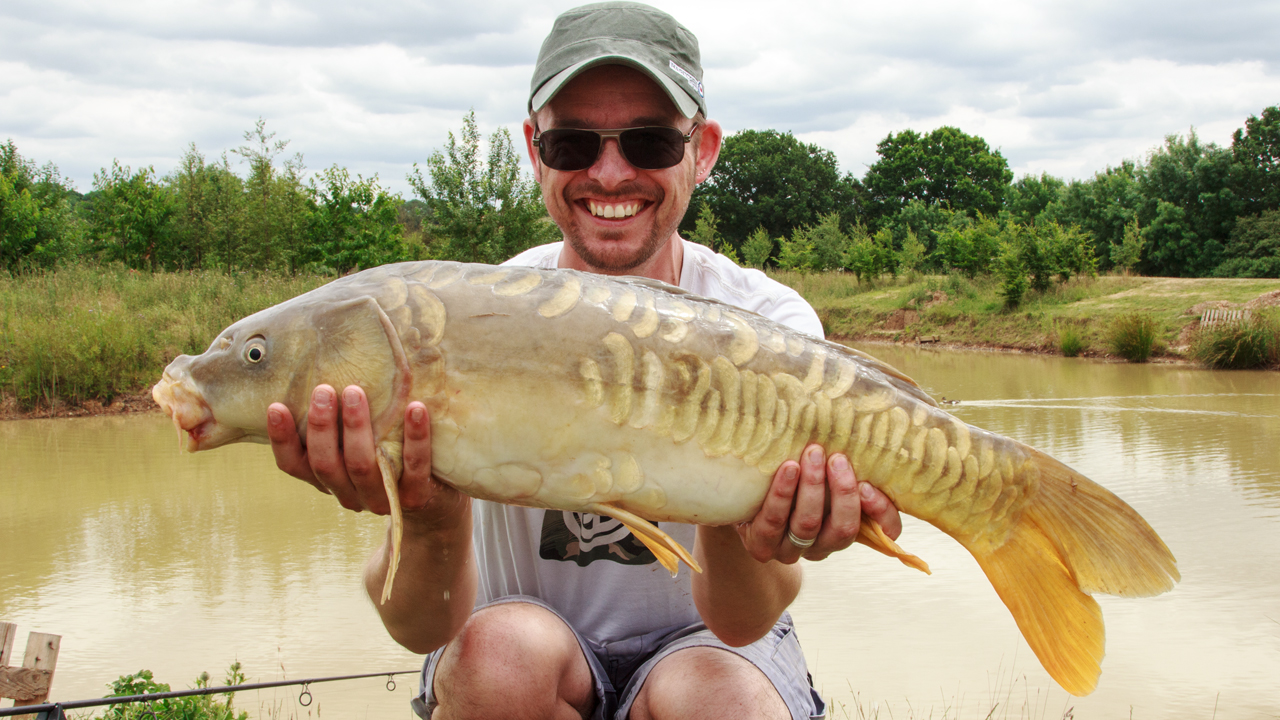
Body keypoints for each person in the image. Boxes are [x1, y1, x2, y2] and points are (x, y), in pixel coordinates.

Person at [266, 3, 903, 719]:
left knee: (720, 701)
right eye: (573, 144)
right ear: (535, 149)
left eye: (650, 143)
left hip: (711, 647)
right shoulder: (460, 320)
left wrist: (741, 507)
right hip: (528, 649)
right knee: (499, 662)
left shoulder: (771, 327)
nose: (609, 173)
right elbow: (417, 627)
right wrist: (429, 515)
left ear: (705, 150)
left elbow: (741, 623)